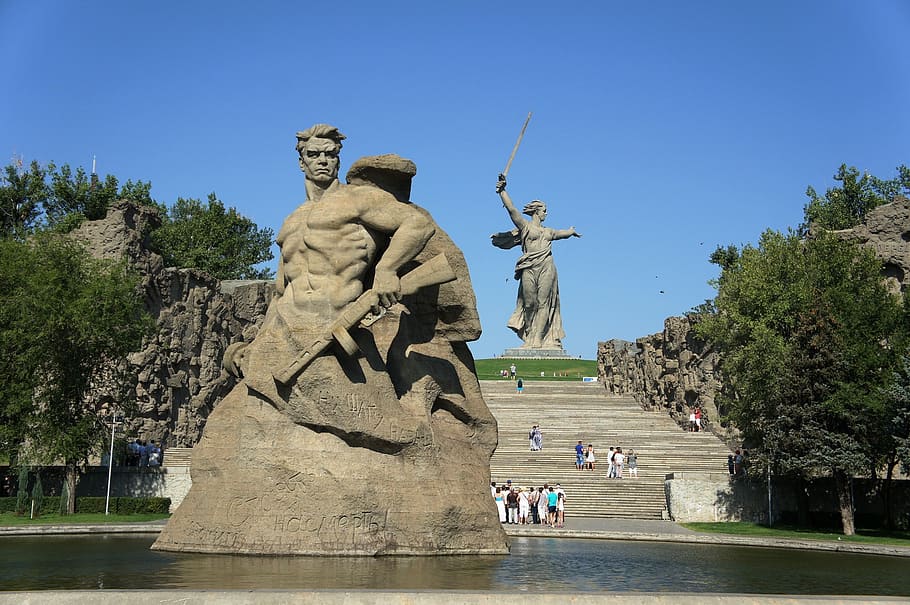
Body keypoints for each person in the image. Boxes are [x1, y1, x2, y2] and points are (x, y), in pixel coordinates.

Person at [491, 174, 581, 350]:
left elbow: (562, 233)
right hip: (529, 267)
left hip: (546, 266)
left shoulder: (549, 232)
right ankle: (530, 337)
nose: (546, 213)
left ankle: (538, 340)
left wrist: (570, 231)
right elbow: (512, 210)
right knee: (529, 303)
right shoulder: (525, 227)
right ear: (536, 211)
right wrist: (502, 191)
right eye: (544, 210)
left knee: (543, 302)